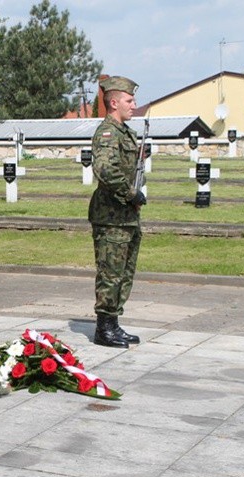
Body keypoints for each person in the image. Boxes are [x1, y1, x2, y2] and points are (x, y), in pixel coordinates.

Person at [88, 76, 146, 349]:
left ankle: (113, 323)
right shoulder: (107, 132)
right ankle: (104, 329)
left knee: (124, 271)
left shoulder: (125, 132)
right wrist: (131, 193)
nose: (134, 105)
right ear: (114, 102)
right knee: (110, 273)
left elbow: (120, 166)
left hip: (126, 217)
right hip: (111, 216)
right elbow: (105, 170)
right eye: (129, 100)